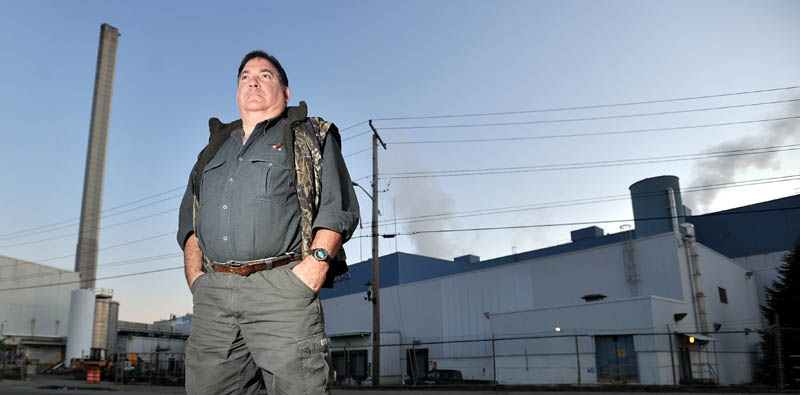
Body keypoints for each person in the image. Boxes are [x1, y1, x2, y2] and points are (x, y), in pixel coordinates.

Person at [177, 50, 359, 395]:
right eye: (245, 76)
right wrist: (196, 278)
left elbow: (338, 207)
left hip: (282, 291)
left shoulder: (308, 135)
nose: (253, 81)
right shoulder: (214, 149)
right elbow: (190, 218)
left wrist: (314, 268)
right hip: (214, 295)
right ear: (237, 91)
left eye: (265, 75)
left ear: (285, 92)